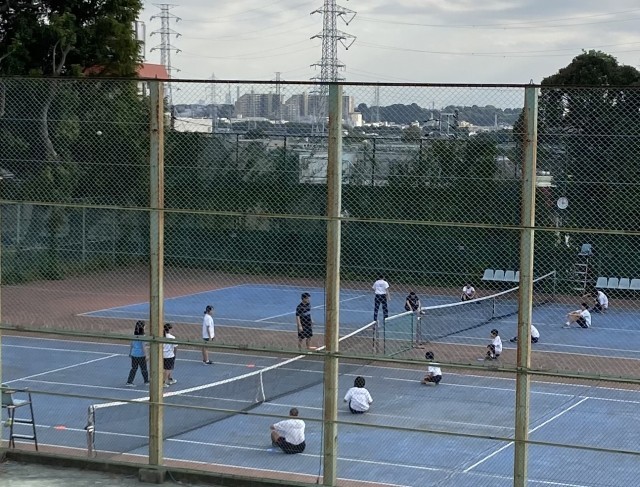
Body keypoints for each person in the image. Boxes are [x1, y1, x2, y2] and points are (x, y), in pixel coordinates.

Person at [126, 320, 149, 386]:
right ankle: (146, 381)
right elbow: (143, 346)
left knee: (134, 368)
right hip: (141, 355)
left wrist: (130, 353)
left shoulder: (134, 335)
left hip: (134, 354)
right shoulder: (143, 336)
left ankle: (129, 381)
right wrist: (146, 355)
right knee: (144, 369)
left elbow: (132, 345)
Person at [163, 323, 178, 387]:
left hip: (163, 355)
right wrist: (175, 355)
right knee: (168, 369)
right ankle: (163, 382)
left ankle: (170, 379)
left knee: (167, 368)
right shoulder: (172, 337)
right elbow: (175, 347)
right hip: (169, 355)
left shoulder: (162, 336)